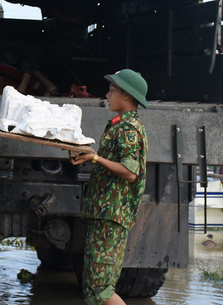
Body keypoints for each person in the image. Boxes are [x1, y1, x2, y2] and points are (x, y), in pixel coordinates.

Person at [70, 68, 148, 305]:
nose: (107, 94)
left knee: (100, 290)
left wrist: (95, 158)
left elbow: (130, 172)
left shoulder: (128, 129)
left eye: (112, 90)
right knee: (95, 288)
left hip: (111, 216)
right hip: (105, 214)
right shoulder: (119, 125)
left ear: (126, 96)